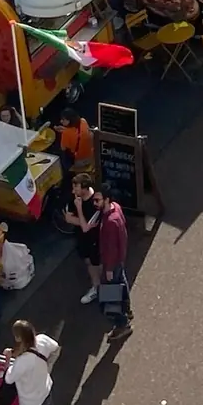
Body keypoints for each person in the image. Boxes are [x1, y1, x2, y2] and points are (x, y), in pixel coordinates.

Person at [90, 187, 133, 332]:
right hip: (119, 260)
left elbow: (111, 248)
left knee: (111, 296)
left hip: (112, 264)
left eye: (98, 200)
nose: (95, 203)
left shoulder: (110, 222)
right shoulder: (116, 209)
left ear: (107, 200)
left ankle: (122, 324)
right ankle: (127, 309)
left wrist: (108, 269)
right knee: (122, 282)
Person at [64, 174, 104, 306]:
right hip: (81, 238)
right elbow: (68, 218)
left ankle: (98, 288)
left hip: (95, 239)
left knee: (96, 263)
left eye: (76, 188)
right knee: (88, 261)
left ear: (85, 188)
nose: (73, 191)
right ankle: (97, 284)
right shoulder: (74, 198)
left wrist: (80, 210)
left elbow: (86, 227)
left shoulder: (96, 202)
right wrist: (81, 222)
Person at [57, 107, 95, 175]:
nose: (61, 121)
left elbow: (63, 148)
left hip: (79, 162)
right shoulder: (83, 121)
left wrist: (64, 132)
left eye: (63, 119)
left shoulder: (66, 133)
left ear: (69, 121)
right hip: (91, 156)